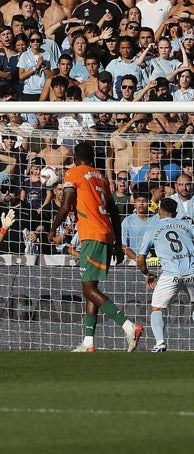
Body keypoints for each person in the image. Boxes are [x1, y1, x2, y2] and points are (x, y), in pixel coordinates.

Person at [49, 143, 144, 352]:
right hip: (106, 234)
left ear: (75, 157)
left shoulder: (74, 173)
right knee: (90, 289)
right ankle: (89, 342)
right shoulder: (100, 176)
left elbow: (65, 206)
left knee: (89, 289)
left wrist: (53, 229)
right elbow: (114, 213)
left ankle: (129, 326)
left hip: (91, 234)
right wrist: (118, 244)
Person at [137, 198, 194, 353]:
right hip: (192, 272)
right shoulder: (187, 225)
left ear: (159, 211)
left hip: (171, 275)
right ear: (176, 213)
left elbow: (140, 259)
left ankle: (160, 343)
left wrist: (147, 273)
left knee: (157, 309)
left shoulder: (153, 229)